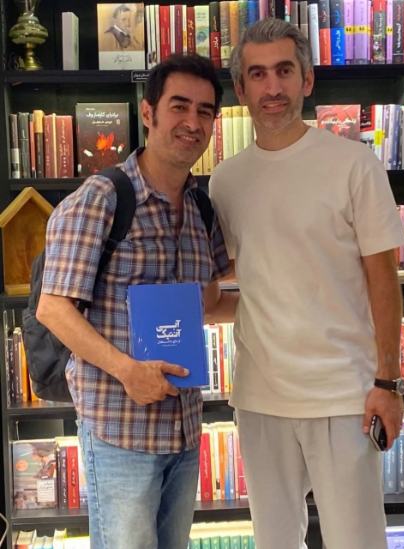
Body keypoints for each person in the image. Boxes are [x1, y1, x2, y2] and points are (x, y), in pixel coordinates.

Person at [209, 18, 404, 549]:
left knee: (357, 542)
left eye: (284, 71)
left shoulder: (354, 164)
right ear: (242, 89)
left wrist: (388, 383)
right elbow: (251, 281)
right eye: (258, 74)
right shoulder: (225, 180)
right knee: (274, 542)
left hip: (344, 394)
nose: (272, 87)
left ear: (307, 80)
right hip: (259, 396)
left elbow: (383, 280)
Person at [36, 54, 236, 549]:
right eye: (179, 106)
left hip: (184, 431)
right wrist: (128, 371)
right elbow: (53, 308)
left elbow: (209, 301)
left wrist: (289, 311)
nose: (192, 122)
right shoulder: (101, 199)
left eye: (205, 111)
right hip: (119, 433)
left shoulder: (201, 206)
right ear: (148, 113)